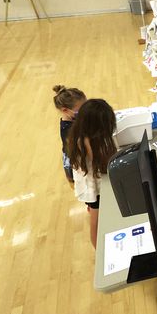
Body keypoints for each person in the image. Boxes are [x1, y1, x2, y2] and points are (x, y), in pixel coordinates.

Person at [65, 98, 117, 249]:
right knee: (96, 222)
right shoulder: (85, 142)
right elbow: (102, 161)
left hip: (94, 182)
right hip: (93, 189)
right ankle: (99, 249)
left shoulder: (79, 133)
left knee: (99, 215)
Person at [52, 85, 87, 185]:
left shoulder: (75, 118)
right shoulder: (69, 131)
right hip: (75, 165)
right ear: (65, 110)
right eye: (81, 110)